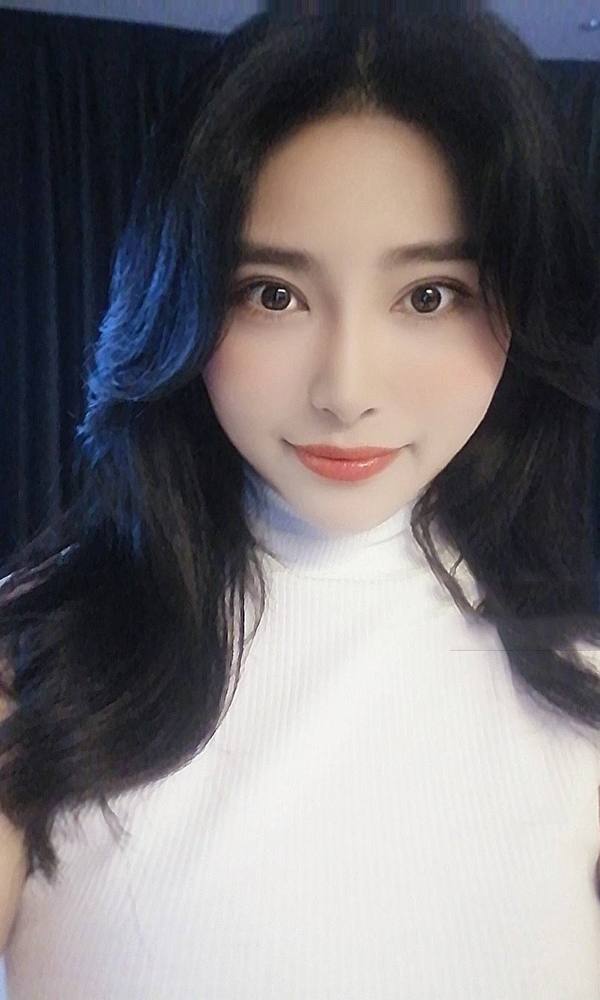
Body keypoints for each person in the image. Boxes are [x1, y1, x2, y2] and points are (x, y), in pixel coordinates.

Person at [2, 9, 600, 998]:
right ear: (183, 300)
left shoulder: (583, 683)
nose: (346, 389)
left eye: (430, 295)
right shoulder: (37, 658)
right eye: (273, 293)